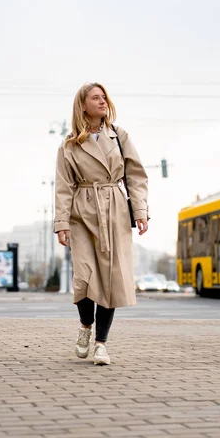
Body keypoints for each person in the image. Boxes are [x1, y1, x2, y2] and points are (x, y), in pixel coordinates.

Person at [54, 83, 148, 365]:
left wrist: (140, 210)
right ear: (83, 105)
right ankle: (85, 326)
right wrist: (61, 222)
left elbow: (136, 175)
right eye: (95, 97)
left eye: (104, 96)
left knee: (111, 277)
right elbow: (63, 185)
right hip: (81, 210)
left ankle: (101, 344)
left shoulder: (119, 136)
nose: (102, 101)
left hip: (114, 208)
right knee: (84, 275)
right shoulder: (69, 144)